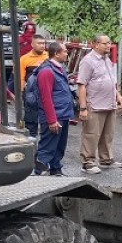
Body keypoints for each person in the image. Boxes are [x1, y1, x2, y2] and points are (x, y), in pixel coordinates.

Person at [77, 34, 122, 173]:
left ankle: (106, 159)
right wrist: (83, 108)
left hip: (109, 103)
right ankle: (88, 162)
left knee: (107, 134)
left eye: (109, 43)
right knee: (91, 134)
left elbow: (110, 80)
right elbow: (82, 85)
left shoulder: (107, 60)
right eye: (105, 43)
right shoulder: (88, 61)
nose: (108, 46)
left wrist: (117, 95)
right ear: (95, 44)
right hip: (95, 104)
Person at [35, 40, 74, 175]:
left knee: (59, 146)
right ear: (56, 54)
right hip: (53, 117)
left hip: (62, 114)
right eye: (64, 51)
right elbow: (46, 98)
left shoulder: (59, 69)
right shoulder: (47, 72)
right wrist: (52, 120)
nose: (67, 53)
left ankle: (56, 169)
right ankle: (40, 173)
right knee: (47, 146)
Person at [18, 34, 49, 135]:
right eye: (39, 43)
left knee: (47, 122)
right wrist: (23, 94)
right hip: (31, 94)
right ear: (32, 44)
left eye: (43, 43)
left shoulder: (49, 57)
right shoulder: (24, 59)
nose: (42, 45)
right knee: (31, 123)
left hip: (47, 94)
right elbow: (21, 79)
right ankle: (32, 146)